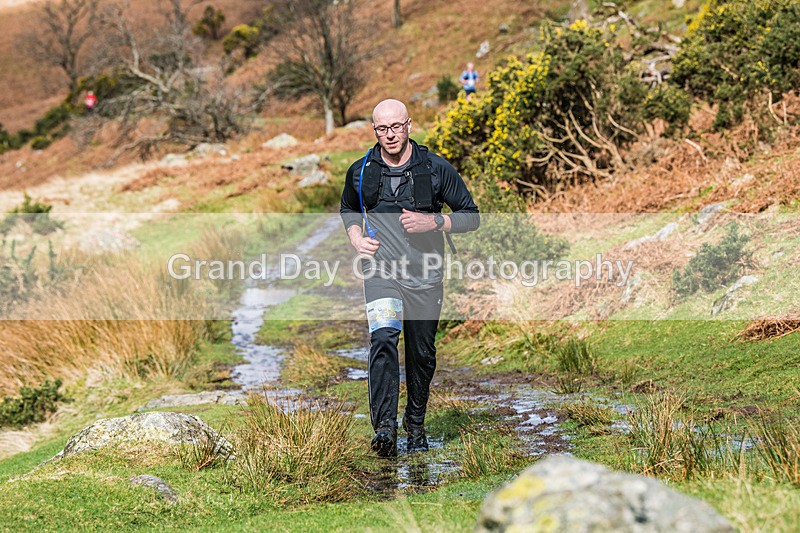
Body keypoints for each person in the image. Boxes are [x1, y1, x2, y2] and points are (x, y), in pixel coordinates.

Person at [340, 99, 480, 457]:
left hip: (425, 274)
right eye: (381, 129)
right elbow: (349, 209)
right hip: (381, 272)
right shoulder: (361, 170)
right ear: (374, 130)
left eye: (396, 127)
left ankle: (414, 425)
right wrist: (356, 237)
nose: (389, 135)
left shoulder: (435, 168)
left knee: (421, 353)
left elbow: (471, 215)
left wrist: (434, 221)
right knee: (383, 339)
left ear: (409, 125)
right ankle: (384, 429)